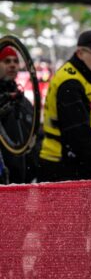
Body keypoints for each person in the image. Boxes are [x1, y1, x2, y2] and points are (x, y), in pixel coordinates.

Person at [38, 29, 91, 182]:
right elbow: (79, 135)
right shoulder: (72, 83)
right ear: (80, 53)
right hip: (63, 165)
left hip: (71, 162)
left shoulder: (84, 77)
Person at [0, 44, 38, 183]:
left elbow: (35, 133)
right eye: (6, 61)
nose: (12, 65)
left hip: (23, 180)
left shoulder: (22, 100)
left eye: (15, 61)